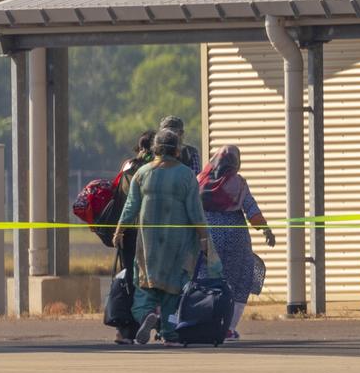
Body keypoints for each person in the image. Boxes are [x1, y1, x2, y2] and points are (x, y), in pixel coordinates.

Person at [112, 128, 221, 345]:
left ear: (155, 149)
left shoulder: (142, 173)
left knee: (145, 287)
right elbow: (195, 211)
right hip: (177, 244)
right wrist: (203, 239)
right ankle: (169, 334)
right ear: (177, 150)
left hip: (149, 244)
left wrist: (119, 230)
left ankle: (146, 316)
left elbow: (131, 207)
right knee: (172, 292)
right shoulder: (186, 175)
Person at [198, 145, 276, 340]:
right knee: (240, 280)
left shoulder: (199, 181)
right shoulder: (238, 183)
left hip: (208, 239)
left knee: (207, 280)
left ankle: (204, 323)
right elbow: (252, 210)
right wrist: (266, 230)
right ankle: (228, 328)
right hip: (236, 240)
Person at [110, 129, 155, 344]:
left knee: (128, 278)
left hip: (128, 233)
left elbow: (123, 200)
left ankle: (125, 330)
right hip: (149, 233)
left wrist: (119, 230)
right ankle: (155, 323)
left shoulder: (127, 166)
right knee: (150, 280)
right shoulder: (152, 169)